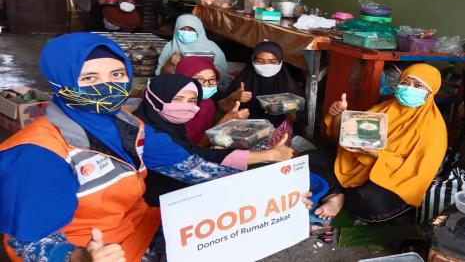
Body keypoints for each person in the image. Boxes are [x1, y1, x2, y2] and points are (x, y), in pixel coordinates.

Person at [0, 32, 237, 262]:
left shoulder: (124, 122)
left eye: (117, 73)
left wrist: (250, 180)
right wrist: (77, 256)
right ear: (62, 82)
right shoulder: (38, 153)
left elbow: (183, 164)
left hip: (139, 226)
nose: (109, 86)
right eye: (90, 78)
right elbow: (25, 241)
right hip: (93, 249)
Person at [315, 63, 447, 223]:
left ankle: (338, 194)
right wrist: (339, 116)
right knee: (311, 160)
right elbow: (341, 138)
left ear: (430, 92)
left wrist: (377, 154)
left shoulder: (434, 129)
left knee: (370, 202)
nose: (409, 88)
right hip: (358, 167)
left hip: (395, 179)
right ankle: (338, 195)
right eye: (405, 83)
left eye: (418, 86)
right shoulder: (382, 110)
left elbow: (417, 170)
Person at [133, 74, 295, 202]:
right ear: (154, 98)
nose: (186, 106)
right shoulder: (146, 135)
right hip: (155, 203)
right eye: (177, 99)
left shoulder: (163, 121)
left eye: (192, 100)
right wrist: (270, 155)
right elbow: (193, 165)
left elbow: (189, 149)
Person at [222, 41, 306, 147]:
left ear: (280, 62)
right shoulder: (243, 81)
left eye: (272, 62)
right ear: (253, 61)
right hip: (244, 126)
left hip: (277, 126)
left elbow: (296, 119)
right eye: (260, 61)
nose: (266, 66)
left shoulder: (289, 87)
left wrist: (285, 107)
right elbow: (222, 107)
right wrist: (233, 97)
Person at [175, 56, 249, 146]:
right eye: (200, 79)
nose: (207, 85)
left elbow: (209, 131)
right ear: (183, 78)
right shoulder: (176, 109)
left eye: (212, 79)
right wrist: (226, 121)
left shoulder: (207, 102)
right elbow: (195, 149)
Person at [155, 14, 230, 90]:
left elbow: (222, 76)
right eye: (182, 29)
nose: (186, 32)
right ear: (176, 29)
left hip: (205, 87)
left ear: (199, 30)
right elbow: (161, 75)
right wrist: (170, 63)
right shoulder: (170, 46)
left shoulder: (212, 48)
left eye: (191, 29)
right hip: (177, 88)